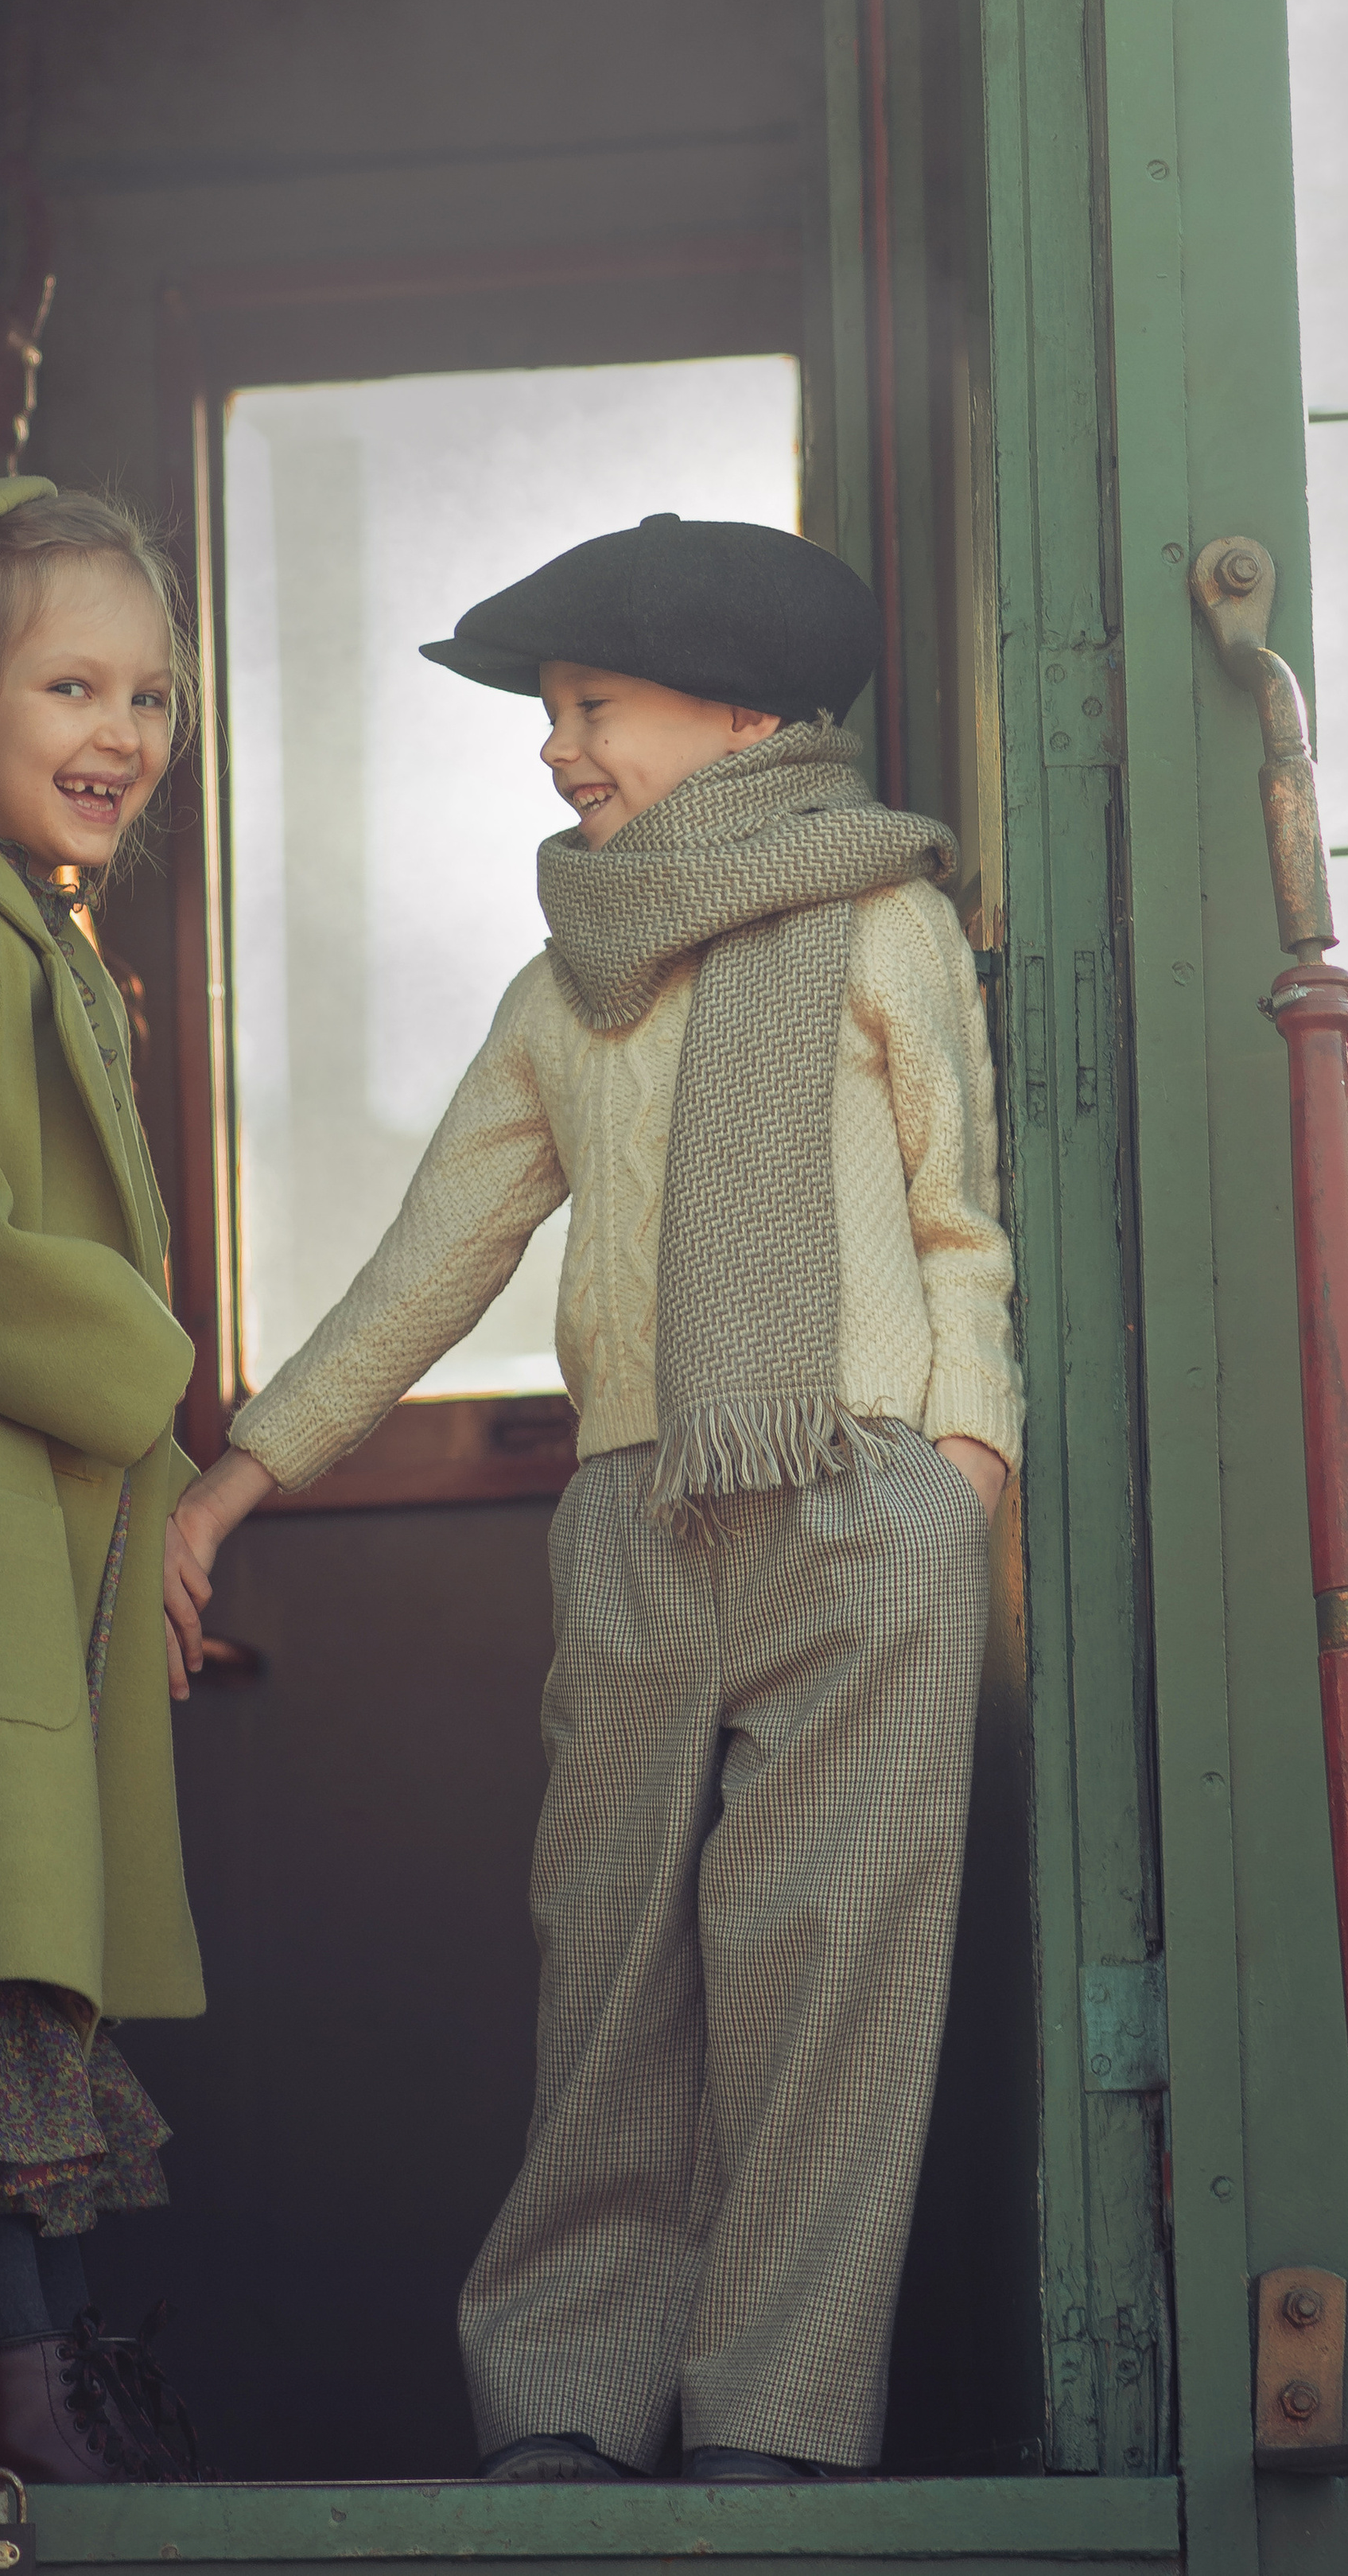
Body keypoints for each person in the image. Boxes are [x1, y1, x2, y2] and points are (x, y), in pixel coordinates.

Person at [172, 512, 1024, 2485]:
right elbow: (425, 1265)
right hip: (641, 1526)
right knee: (610, 1969)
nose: (557, 750)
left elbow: (955, 1224)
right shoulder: (566, 987)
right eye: (549, 714)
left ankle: (774, 2427)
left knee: (833, 1985)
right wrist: (234, 1482)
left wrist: (952, 1468)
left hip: (857, 1499)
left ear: (738, 716)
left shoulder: (880, 914)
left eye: (590, 707)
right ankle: (563, 2406)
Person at [0, 478, 218, 2487]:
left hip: (46, 1532)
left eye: (155, 697)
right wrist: (151, 1374)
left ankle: (44, 2381)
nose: (122, 734)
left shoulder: (39, 924)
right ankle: (14, 2410)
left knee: (21, 1973)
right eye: (72, 687)